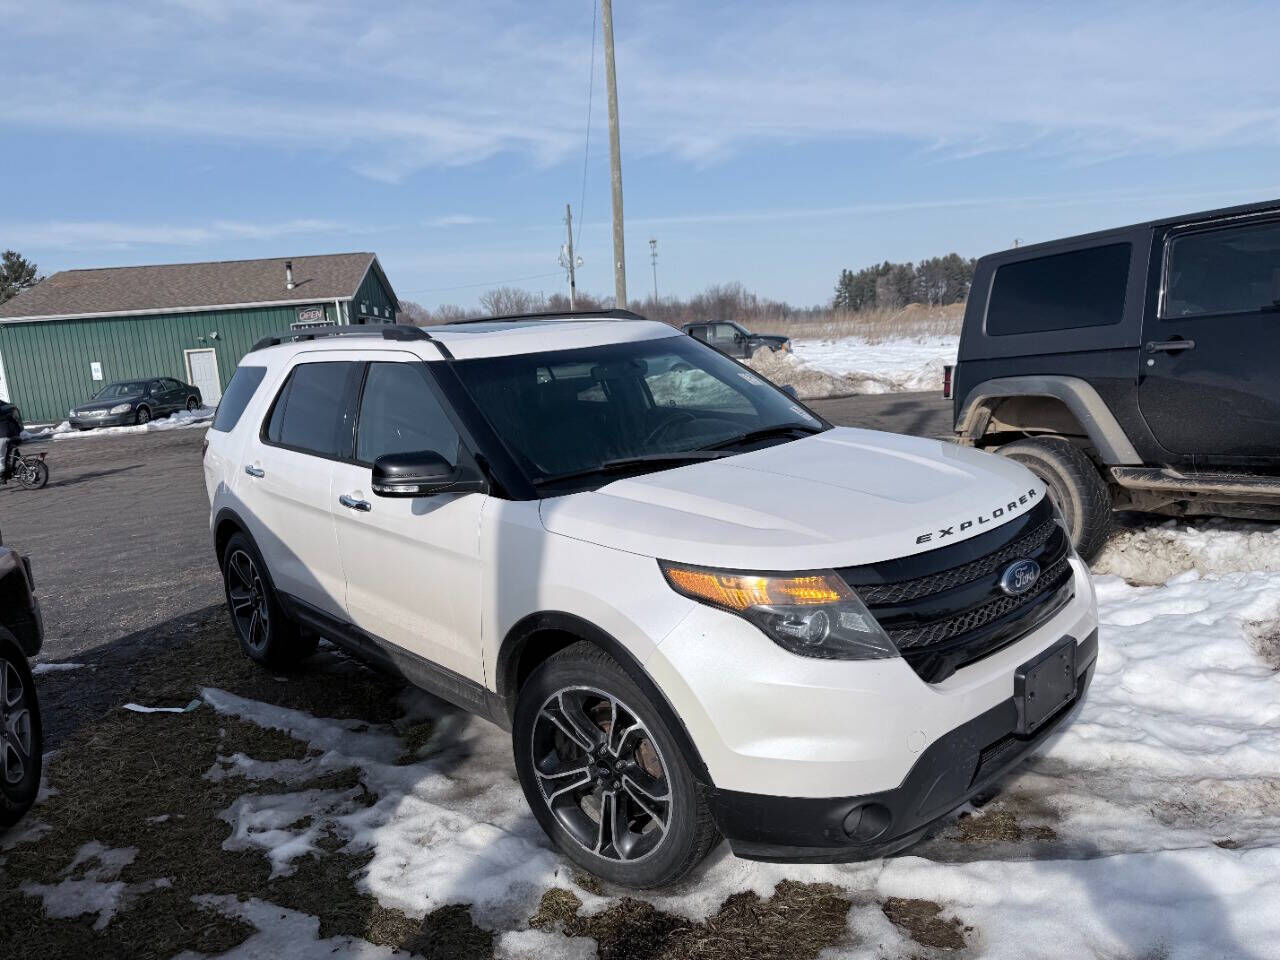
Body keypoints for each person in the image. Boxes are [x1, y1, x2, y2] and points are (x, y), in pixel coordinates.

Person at [0, 401, 22, 481]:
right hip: (15, 434)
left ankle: (2, 474)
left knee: (1, 456)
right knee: (9, 454)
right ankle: (9, 471)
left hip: (4, 435)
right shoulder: (8, 409)